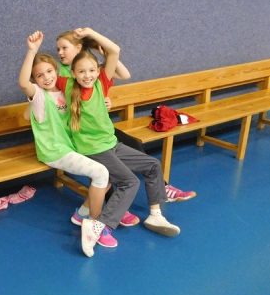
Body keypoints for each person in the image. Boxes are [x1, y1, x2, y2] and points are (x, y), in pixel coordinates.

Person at [56, 31, 182, 255]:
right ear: (73, 74)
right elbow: (34, 80)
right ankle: (98, 226)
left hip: (111, 144)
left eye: (92, 70)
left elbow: (114, 51)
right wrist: (32, 52)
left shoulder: (101, 84)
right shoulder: (67, 85)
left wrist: (90, 33)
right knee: (129, 182)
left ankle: (155, 215)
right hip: (94, 149)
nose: (87, 75)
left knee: (153, 164)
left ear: (98, 71)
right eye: (82, 72)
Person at [18, 31, 113, 252]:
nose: (46, 77)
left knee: (109, 175)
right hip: (53, 151)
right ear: (35, 80)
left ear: (57, 71)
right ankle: (96, 226)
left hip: (72, 146)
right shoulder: (38, 95)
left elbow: (93, 87)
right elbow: (23, 83)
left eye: (49, 71)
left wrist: (107, 100)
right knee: (101, 173)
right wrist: (32, 51)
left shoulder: (66, 91)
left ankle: (81, 214)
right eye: (39, 75)